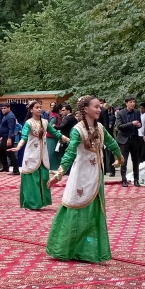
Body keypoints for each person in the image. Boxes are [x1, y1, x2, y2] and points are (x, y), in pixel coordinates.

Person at [46, 95, 122, 263]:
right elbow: (70, 153)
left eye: (99, 106)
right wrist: (58, 174)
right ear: (86, 109)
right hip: (81, 176)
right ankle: (66, 248)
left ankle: (89, 250)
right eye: (95, 106)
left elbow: (111, 142)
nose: (99, 109)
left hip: (96, 176)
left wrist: (119, 157)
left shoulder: (100, 127)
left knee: (94, 213)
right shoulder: (77, 130)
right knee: (75, 209)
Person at [9, 101, 69, 210]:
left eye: (40, 107)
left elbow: (55, 133)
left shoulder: (45, 122)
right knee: (32, 179)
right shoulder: (29, 123)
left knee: (44, 177)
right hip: (31, 154)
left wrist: (67, 139)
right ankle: (31, 203)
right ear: (31, 110)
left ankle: (41, 202)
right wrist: (19, 147)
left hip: (43, 155)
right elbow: (24, 136)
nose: (39, 109)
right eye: (37, 107)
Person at [115, 96, 143, 187]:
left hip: (134, 138)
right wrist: (132, 123)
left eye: (134, 102)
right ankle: (124, 180)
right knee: (124, 160)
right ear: (126, 103)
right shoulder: (120, 113)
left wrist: (139, 125)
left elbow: (140, 124)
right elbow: (119, 126)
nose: (133, 104)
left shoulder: (137, 112)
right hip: (124, 139)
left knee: (136, 160)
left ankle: (136, 179)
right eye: (130, 102)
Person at [0, 104, 19, 174]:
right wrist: (2, 137)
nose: (3, 110)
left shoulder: (10, 116)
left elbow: (11, 129)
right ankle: (5, 167)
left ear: (9, 108)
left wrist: (9, 138)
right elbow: (5, 128)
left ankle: (16, 170)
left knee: (10, 153)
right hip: (5, 137)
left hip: (9, 137)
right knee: (1, 152)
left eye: (4, 108)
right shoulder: (6, 115)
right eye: (2, 108)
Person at [97, 98, 116, 176]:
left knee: (110, 153)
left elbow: (106, 123)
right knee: (100, 153)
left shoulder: (103, 110)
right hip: (95, 134)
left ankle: (112, 170)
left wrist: (104, 135)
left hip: (105, 133)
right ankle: (102, 170)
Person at [46, 103, 64, 170]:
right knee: (51, 152)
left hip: (55, 137)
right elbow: (50, 126)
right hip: (51, 137)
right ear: (59, 109)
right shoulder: (54, 116)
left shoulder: (56, 115)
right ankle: (51, 167)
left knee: (54, 152)